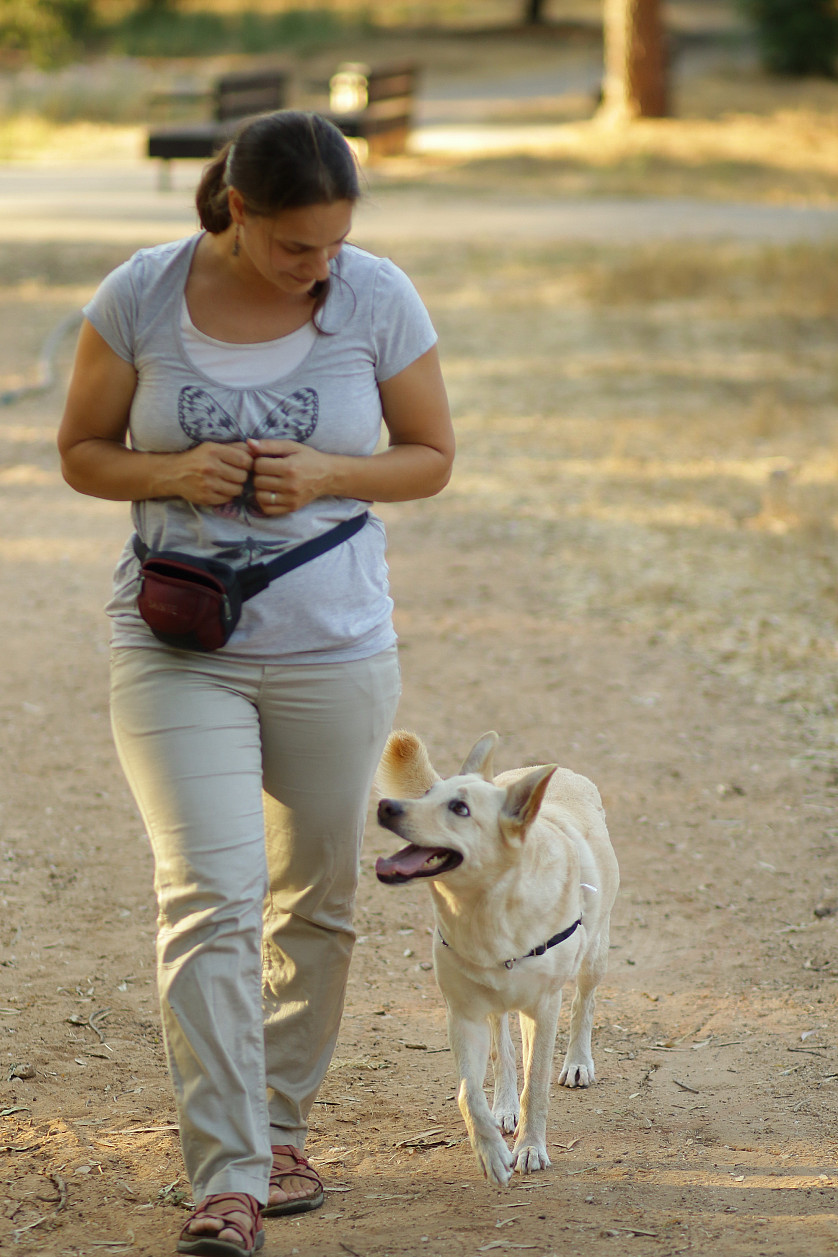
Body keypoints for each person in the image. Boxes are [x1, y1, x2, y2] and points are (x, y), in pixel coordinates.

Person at [58, 109, 454, 1257]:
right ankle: (227, 1174)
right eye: (296, 249)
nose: (317, 269)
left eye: (333, 244)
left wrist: (330, 469)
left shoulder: (376, 297)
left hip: (334, 646)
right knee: (208, 897)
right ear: (236, 211)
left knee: (317, 900)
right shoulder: (141, 292)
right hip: (176, 644)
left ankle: (281, 1122)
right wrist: (171, 469)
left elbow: (430, 454)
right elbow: (81, 451)